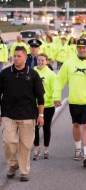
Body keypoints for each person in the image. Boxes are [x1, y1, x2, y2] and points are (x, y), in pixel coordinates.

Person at [53, 39, 86, 168]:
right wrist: (56, 96)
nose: (82, 49)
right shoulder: (69, 63)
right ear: (76, 48)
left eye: (84, 47)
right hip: (74, 100)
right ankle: (78, 148)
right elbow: (59, 80)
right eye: (79, 47)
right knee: (76, 124)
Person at [0, 46, 44, 181]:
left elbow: (40, 96)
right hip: (8, 114)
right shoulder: (5, 73)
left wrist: (40, 115)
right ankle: (13, 164)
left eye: (19, 56)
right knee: (8, 142)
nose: (16, 58)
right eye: (14, 56)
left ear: (26, 57)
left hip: (28, 115)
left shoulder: (33, 74)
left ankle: (24, 171)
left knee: (25, 145)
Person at [33, 53, 56, 160]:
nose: (40, 62)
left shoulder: (51, 74)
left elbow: (55, 88)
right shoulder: (33, 72)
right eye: (39, 60)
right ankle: (36, 150)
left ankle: (46, 149)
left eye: (42, 60)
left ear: (46, 62)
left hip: (48, 105)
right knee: (35, 128)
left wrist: (55, 99)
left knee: (46, 128)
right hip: (34, 105)